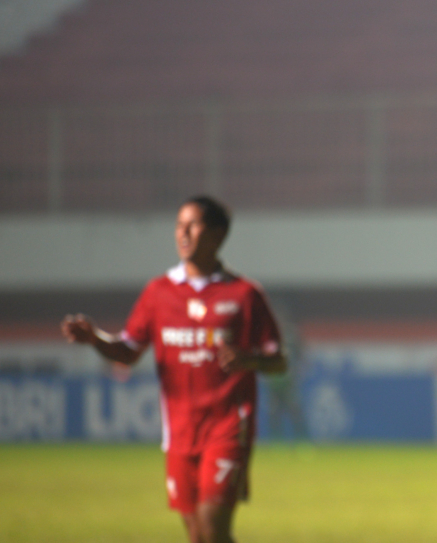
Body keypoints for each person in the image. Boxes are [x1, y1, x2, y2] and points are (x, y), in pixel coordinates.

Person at [61, 196, 286, 543]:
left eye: (192, 224)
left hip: (228, 427)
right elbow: (128, 352)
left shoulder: (244, 294)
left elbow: (279, 359)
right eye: (179, 224)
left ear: (217, 234)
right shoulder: (159, 293)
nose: (182, 232)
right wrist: (95, 339)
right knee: (196, 534)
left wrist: (251, 359)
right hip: (180, 432)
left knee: (213, 526)